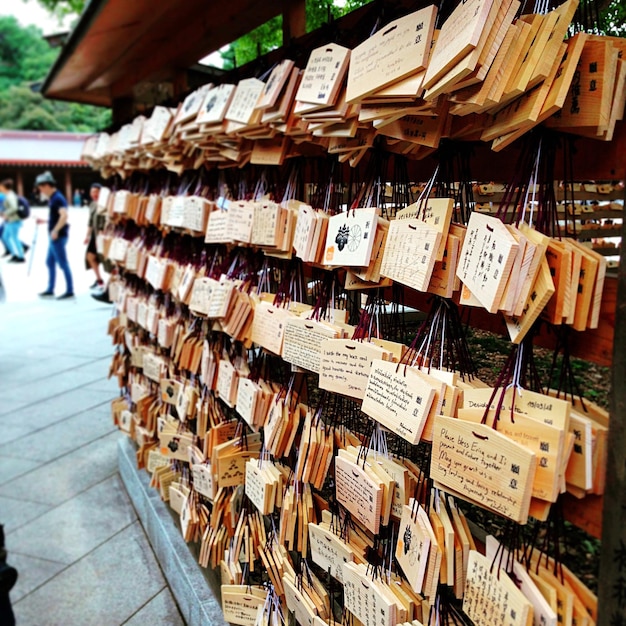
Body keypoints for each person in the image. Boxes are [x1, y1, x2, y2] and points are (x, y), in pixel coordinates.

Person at [35, 171, 75, 299]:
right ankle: (50, 288)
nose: (40, 190)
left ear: (47, 185)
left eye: (40, 187)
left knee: (63, 263)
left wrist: (56, 230)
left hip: (58, 236)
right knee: (49, 262)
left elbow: (64, 216)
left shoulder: (58, 198)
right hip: (55, 235)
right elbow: (57, 217)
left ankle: (69, 290)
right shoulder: (53, 198)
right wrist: (45, 221)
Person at [85, 183, 105, 289]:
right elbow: (90, 222)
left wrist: (100, 238)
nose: (94, 194)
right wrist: (87, 236)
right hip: (94, 235)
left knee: (107, 261)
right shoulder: (92, 204)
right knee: (90, 256)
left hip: (103, 236)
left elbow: (106, 222)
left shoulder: (105, 204)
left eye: (96, 192)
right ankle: (99, 279)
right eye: (92, 192)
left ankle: (111, 283)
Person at [0, 179, 25, 263]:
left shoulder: (10, 196)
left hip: (15, 220)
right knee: (5, 237)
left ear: (4, 187)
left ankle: (21, 257)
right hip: (11, 220)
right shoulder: (7, 195)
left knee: (14, 238)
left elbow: (14, 207)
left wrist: (5, 213)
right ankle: (14, 254)